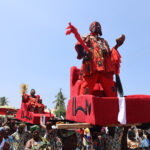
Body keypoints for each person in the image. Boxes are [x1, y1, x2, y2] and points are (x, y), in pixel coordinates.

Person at [66, 22, 125, 97]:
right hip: (91, 68)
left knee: (112, 93)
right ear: (91, 27)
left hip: (105, 70)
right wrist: (85, 51)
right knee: (85, 93)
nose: (98, 27)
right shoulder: (86, 37)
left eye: (99, 26)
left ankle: (113, 107)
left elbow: (109, 54)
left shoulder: (104, 41)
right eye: (96, 25)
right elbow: (79, 45)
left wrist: (117, 45)